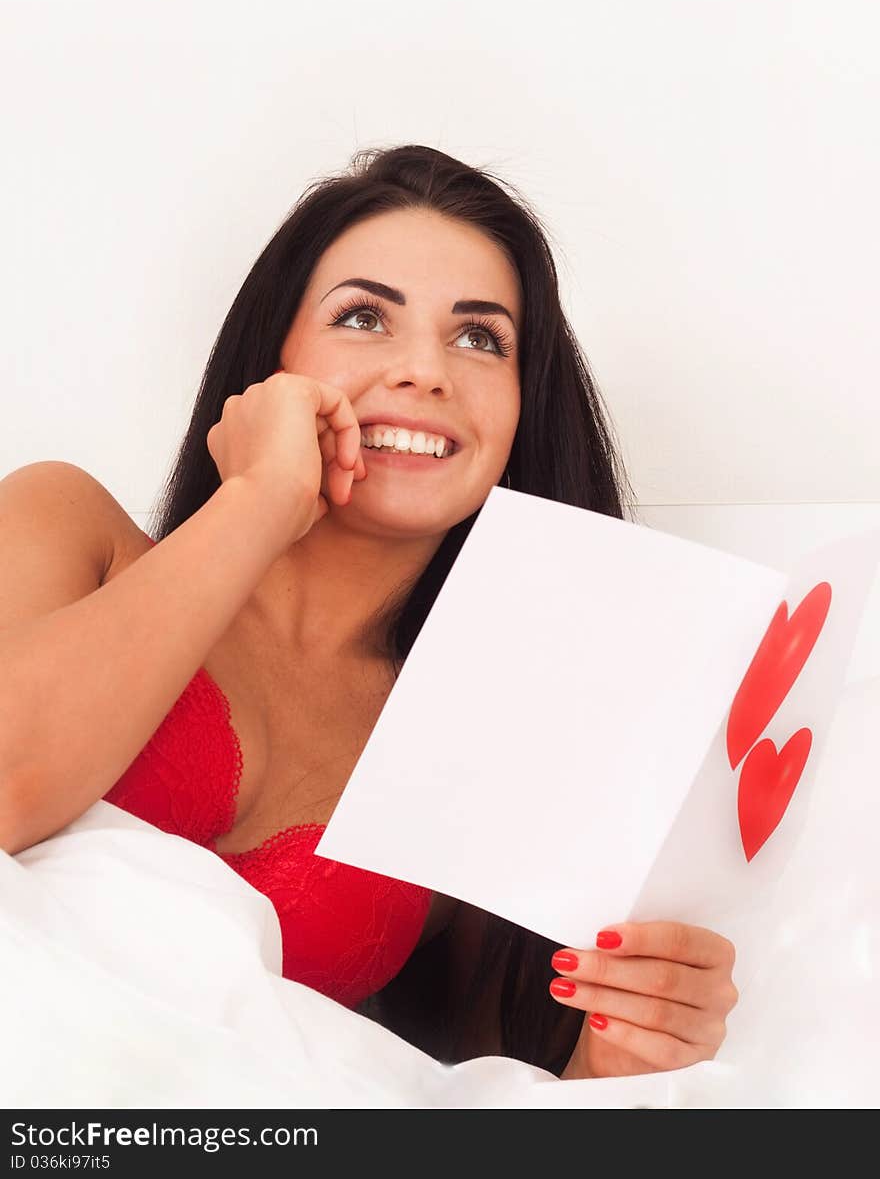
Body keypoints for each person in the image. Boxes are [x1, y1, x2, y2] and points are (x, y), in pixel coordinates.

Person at [0, 144, 737, 1081]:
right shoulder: (69, 527)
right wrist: (261, 498)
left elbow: (475, 1105)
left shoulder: (486, 760)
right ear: (274, 361)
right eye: (363, 317)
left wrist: (626, 1049)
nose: (426, 371)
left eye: (480, 338)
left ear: (519, 413)